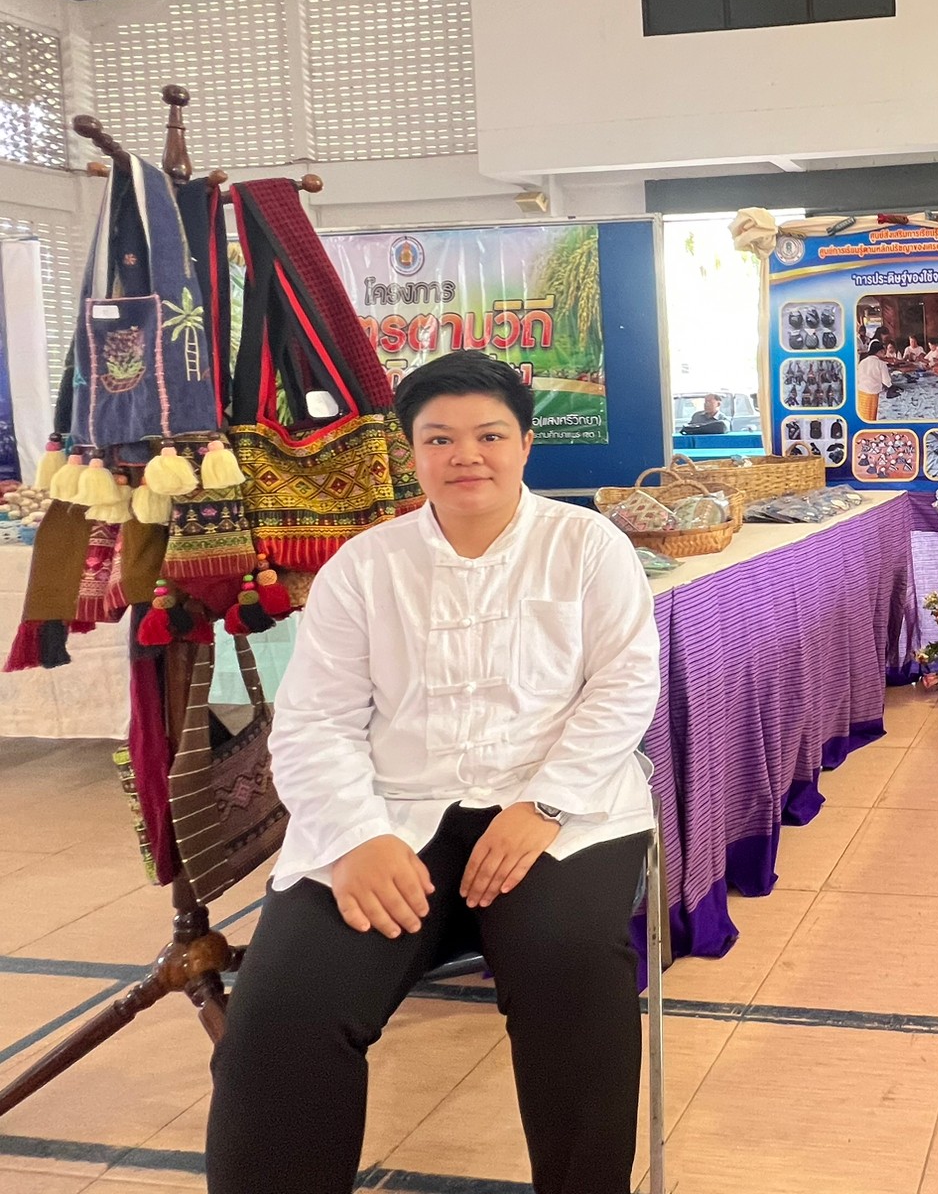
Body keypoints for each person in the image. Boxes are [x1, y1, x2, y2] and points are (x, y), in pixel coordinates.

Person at [206, 352, 660, 1194]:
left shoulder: (586, 545)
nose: (466, 456)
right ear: (411, 453)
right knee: (285, 1011)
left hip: (557, 815)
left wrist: (545, 805)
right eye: (440, 438)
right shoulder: (364, 566)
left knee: (569, 972)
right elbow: (313, 720)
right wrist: (355, 838)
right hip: (392, 816)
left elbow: (625, 687)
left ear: (525, 444)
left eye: (489, 435)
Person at [855, 337, 892, 421]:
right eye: (883, 351)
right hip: (872, 394)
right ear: (879, 352)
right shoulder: (881, 363)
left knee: (862, 415)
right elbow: (886, 381)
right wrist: (891, 387)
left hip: (860, 392)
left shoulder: (862, 362)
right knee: (870, 417)